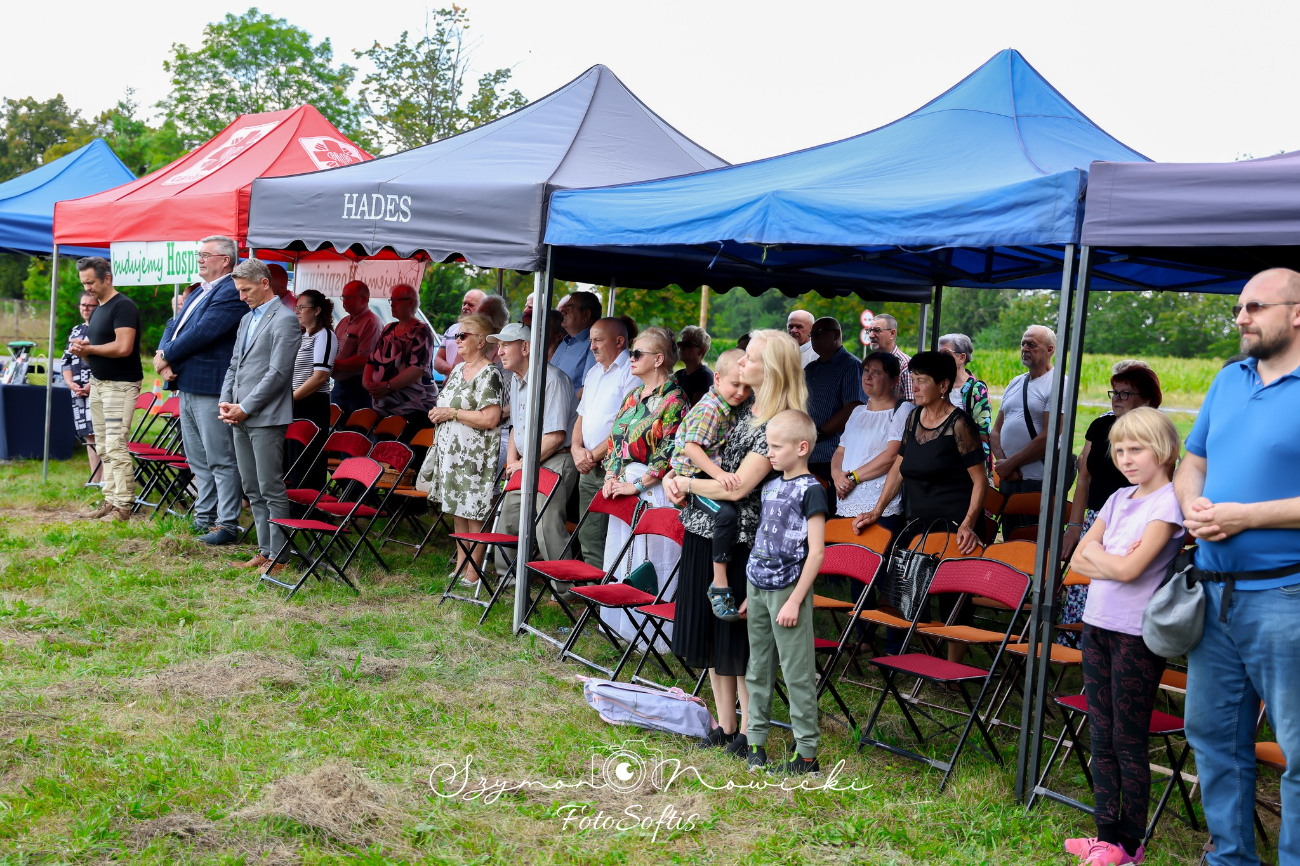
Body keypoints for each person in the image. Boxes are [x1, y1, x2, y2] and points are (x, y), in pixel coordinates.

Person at [1175, 268, 1300, 866]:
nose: (1241, 318)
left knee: (1298, 754)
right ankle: (1230, 859)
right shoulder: (1229, 379)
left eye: (1255, 306)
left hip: (1287, 595)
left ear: (1298, 312)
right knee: (1214, 739)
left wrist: (1246, 517)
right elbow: (1190, 462)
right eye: (1238, 308)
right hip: (1213, 595)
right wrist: (1191, 508)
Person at [663, 329, 808, 755]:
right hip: (702, 528)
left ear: (771, 369)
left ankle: (749, 731)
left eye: (749, 359)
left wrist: (685, 481)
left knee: (737, 642)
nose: (740, 363)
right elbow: (698, 451)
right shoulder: (740, 407)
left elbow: (737, 487)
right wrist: (677, 479)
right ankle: (725, 725)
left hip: (743, 540)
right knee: (712, 634)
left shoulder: (779, 421)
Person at [1064, 407, 1185, 866]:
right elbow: (1078, 560)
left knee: (1128, 741)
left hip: (1136, 635)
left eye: (1137, 449)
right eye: (1119, 449)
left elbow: (1135, 569)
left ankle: (1129, 847)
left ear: (1164, 450)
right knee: (1100, 736)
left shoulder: (1169, 503)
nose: (1126, 458)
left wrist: (1107, 560)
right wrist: (1113, 561)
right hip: (1097, 626)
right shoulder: (1118, 500)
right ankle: (1104, 837)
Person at [853, 351, 987, 661]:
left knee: (953, 599)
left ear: (943, 385)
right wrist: (877, 509)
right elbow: (899, 467)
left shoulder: (960, 424)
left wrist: (967, 524)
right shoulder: (913, 418)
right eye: (912, 380)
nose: (914, 387)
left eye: (921, 381)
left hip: (956, 524)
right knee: (912, 591)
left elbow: (980, 481)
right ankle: (925, 656)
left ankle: (951, 672)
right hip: (920, 523)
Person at [741, 409, 828, 776]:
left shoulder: (812, 490)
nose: (770, 453)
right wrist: (751, 591)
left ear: (802, 447)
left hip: (787, 589)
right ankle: (755, 740)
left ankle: (806, 752)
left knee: (796, 671)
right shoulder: (771, 485)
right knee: (758, 666)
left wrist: (794, 599)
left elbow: (818, 552)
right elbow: (764, 537)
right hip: (756, 585)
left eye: (776, 446)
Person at [1058, 362, 1163, 646]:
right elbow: (1084, 478)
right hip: (1095, 518)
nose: (1116, 399)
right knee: (1082, 583)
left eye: (1125, 393)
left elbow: (1163, 486)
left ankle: (1109, 647)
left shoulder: (1156, 435)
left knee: (1113, 586)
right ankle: (1073, 645)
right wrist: (1074, 527)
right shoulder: (1101, 425)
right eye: (1114, 392)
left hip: (1133, 523)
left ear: (1148, 399)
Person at [153, 235, 247, 544]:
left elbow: (204, 332)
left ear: (225, 261)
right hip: (189, 383)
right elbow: (173, 324)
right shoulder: (201, 290)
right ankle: (203, 517)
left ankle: (227, 525)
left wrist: (167, 356)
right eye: (199, 254)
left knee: (220, 458)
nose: (200, 259)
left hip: (211, 385)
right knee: (197, 458)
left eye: (206, 255)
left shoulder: (231, 289)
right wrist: (162, 357)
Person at [599, 327, 689, 640]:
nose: (631, 359)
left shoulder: (675, 400)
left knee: (651, 556)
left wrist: (637, 486)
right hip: (622, 486)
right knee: (622, 554)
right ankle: (619, 626)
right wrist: (611, 476)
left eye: (637, 354)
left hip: (653, 489)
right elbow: (615, 439)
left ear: (658, 359)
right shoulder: (633, 396)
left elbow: (670, 452)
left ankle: (652, 635)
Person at [219, 259, 301, 574]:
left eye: (247, 289)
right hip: (238, 415)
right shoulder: (246, 320)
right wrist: (227, 401)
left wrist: (246, 406)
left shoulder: (285, 320)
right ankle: (265, 550)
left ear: (264, 283)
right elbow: (234, 365)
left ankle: (279, 558)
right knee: (252, 487)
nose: (242, 296)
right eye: (239, 290)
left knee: (270, 487)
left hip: (265, 417)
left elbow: (278, 373)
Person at [668, 348, 750, 620]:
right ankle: (719, 583)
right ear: (717, 378)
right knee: (725, 514)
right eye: (735, 384)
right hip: (693, 477)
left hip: (704, 475)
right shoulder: (710, 408)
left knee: (732, 510)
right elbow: (692, 447)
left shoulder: (729, 407)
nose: (740, 392)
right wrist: (718, 474)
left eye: (747, 387)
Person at [490, 322, 579, 576]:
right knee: (508, 515)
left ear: (526, 347)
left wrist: (522, 463)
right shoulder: (517, 379)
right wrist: (512, 460)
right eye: (499, 346)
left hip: (555, 458)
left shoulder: (551, 380)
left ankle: (563, 590)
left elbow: (555, 437)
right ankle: (508, 580)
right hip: (528, 459)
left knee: (547, 524)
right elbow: (516, 427)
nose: (500, 352)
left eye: (506, 345)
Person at [423, 313, 504, 582]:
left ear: (480, 341)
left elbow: (490, 418)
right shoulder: (458, 369)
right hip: (452, 452)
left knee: (474, 513)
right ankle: (460, 565)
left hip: (474, 455)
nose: (456, 340)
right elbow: (448, 404)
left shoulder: (490, 373)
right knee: (458, 510)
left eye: (462, 335)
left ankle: (474, 571)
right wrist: (439, 413)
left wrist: (452, 414)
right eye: (456, 335)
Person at [70, 257, 143, 522]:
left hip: (120, 386)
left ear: (107, 279)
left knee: (115, 445)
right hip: (99, 385)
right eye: (84, 283)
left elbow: (123, 348)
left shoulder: (123, 306)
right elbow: (98, 355)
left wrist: (88, 348)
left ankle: (123, 506)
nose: (87, 288)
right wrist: (83, 351)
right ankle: (110, 501)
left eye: (90, 282)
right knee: (102, 446)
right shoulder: (99, 309)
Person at [572, 317, 636, 570]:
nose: (592, 347)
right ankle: (592, 598)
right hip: (588, 465)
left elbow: (627, 425)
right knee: (588, 534)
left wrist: (590, 456)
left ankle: (608, 600)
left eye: (598, 340)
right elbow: (582, 416)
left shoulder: (632, 371)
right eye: (591, 340)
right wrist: (577, 449)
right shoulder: (594, 371)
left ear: (619, 341)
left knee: (616, 538)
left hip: (617, 468)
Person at [831, 352, 913, 527]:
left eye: (877, 372)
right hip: (846, 501)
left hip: (879, 506)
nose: (868, 376)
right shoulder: (857, 412)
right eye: (866, 370)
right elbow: (840, 450)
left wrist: (852, 478)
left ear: (894, 380)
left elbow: (892, 455)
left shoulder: (903, 410)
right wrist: (837, 475)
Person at [990, 325, 1059, 507]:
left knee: (1032, 532)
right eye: (1023, 344)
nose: (1025, 349)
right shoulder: (1015, 382)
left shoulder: (1058, 384)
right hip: (1009, 477)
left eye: (1031, 345)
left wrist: (1009, 464)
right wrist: (1003, 464)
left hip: (1037, 479)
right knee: (1010, 532)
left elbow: (1049, 435)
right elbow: (996, 430)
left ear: (1050, 349)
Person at [364, 283, 437, 442]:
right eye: (391, 300)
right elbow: (372, 359)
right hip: (385, 407)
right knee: (383, 456)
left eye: (397, 300)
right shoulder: (388, 328)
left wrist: (388, 386)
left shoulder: (421, 330)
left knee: (403, 459)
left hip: (412, 408)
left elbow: (417, 368)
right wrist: (367, 383)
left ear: (411, 302)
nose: (393, 304)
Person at [804, 317, 867, 494]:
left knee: (825, 511)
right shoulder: (811, 368)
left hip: (830, 455)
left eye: (820, 333)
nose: (814, 338)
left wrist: (820, 433)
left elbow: (853, 407)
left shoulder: (851, 365)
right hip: (806, 453)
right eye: (812, 334)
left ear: (836, 335)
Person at [288, 290, 337, 490]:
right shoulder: (304, 336)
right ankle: (293, 509)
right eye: (296, 307)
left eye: (302, 307)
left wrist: (291, 398)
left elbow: (320, 376)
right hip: (296, 401)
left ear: (317, 310)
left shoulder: (325, 335)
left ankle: (308, 511)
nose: (298, 312)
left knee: (307, 460)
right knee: (293, 458)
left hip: (311, 404)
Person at [937, 333, 992, 474]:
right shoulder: (938, 385)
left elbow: (983, 433)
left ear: (961, 358)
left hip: (969, 466)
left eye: (946, 354)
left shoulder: (977, 389)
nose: (940, 358)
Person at [62, 291, 100, 482]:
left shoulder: (103, 330)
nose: (85, 308)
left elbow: (105, 362)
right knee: (88, 436)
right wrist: (70, 384)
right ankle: (94, 478)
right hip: (78, 392)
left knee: (100, 435)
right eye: (82, 305)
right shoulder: (76, 330)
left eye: (90, 305)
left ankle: (104, 480)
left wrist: (91, 385)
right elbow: (66, 361)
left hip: (97, 387)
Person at [332, 280, 381, 417]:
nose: (345, 301)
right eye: (343, 297)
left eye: (350, 297)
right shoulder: (344, 321)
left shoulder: (372, 323)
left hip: (358, 388)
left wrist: (336, 365)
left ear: (364, 299)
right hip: (339, 385)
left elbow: (365, 359)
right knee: (336, 431)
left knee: (355, 431)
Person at [552, 291, 600, 395]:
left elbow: (588, 387)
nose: (563, 311)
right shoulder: (565, 342)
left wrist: (570, 411)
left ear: (586, 315)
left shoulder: (593, 345)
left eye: (569, 308)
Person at [433, 289, 486, 376]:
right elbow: (437, 361)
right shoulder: (451, 330)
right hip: (450, 386)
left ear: (483, 308)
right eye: (464, 303)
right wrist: (453, 373)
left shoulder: (486, 333)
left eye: (471, 305)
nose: (465, 307)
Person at [868, 314, 912, 401]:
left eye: (877, 330)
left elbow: (911, 406)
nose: (871, 335)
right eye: (870, 330)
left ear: (892, 333)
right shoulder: (870, 362)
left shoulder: (905, 364)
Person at [675, 325, 714, 405]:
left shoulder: (704, 376)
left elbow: (694, 410)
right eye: (680, 344)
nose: (681, 348)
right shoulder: (678, 375)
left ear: (701, 351)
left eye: (687, 345)